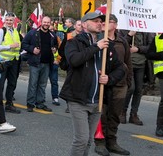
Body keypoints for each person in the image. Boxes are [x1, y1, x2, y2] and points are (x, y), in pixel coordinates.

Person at [59, 11, 124, 156]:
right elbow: (74, 60)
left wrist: (109, 78)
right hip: (78, 99)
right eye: (95, 21)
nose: (99, 23)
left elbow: (121, 68)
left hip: (98, 101)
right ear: (84, 25)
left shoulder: (107, 46)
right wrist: (97, 47)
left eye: (101, 21)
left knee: (88, 140)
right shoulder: (73, 42)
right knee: (81, 139)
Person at [94, 14, 132, 155]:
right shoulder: (98, 40)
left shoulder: (122, 42)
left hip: (120, 85)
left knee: (115, 115)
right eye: (102, 21)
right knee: (101, 114)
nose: (103, 23)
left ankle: (112, 141)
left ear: (115, 25)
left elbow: (127, 63)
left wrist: (129, 81)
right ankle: (100, 142)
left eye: (107, 21)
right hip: (102, 84)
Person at [22, 16, 57, 112]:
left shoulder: (52, 34)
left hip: (47, 63)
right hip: (35, 63)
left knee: (42, 84)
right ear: (41, 22)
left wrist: (54, 48)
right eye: (44, 22)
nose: (46, 24)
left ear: (50, 23)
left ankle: (40, 103)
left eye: (48, 22)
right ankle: (30, 103)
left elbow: (55, 45)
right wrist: (32, 49)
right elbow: (24, 44)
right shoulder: (33, 33)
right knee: (33, 84)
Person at [122, 29, 152, 126]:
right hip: (128, 65)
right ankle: (122, 112)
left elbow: (150, 47)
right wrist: (130, 35)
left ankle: (133, 114)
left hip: (141, 65)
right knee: (131, 88)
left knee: (138, 90)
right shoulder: (123, 30)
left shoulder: (146, 32)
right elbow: (121, 45)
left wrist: (138, 49)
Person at [0, 15, 22, 114]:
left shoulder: (15, 31)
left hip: (14, 61)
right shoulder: (1, 31)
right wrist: (9, 46)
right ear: (4, 20)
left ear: (14, 21)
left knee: (12, 83)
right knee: (0, 84)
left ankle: (9, 104)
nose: (9, 22)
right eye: (7, 20)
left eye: (11, 20)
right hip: (4, 61)